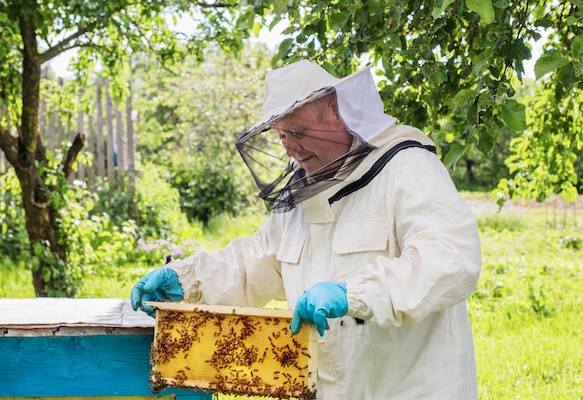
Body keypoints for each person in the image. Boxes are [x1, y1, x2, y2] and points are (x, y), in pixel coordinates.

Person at [131, 59, 482, 399]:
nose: (289, 147)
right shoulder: (302, 199)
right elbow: (256, 263)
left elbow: (451, 260)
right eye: (281, 135)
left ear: (336, 110)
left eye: (297, 131)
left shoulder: (406, 168)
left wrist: (355, 294)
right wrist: (190, 279)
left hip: (409, 389)